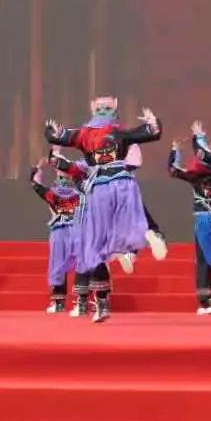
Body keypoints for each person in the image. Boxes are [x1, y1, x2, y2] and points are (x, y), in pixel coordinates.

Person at [44, 96, 165, 296]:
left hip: (99, 190)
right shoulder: (120, 133)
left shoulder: (83, 136)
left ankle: (119, 257)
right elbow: (151, 133)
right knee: (133, 221)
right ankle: (139, 243)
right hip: (123, 183)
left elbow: (59, 144)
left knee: (96, 239)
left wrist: (51, 131)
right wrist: (153, 122)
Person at [168, 125, 211, 315]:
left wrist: (175, 150)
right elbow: (175, 171)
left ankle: (210, 302)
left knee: (208, 258)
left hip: (210, 218)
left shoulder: (199, 173)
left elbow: (174, 170)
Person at [30, 156, 90, 314]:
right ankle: (75, 303)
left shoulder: (64, 193)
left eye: (63, 175)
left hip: (70, 230)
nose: (62, 179)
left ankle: (69, 303)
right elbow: (36, 185)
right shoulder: (78, 193)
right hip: (72, 230)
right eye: (60, 176)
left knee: (67, 265)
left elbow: (35, 184)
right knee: (72, 265)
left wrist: (37, 169)